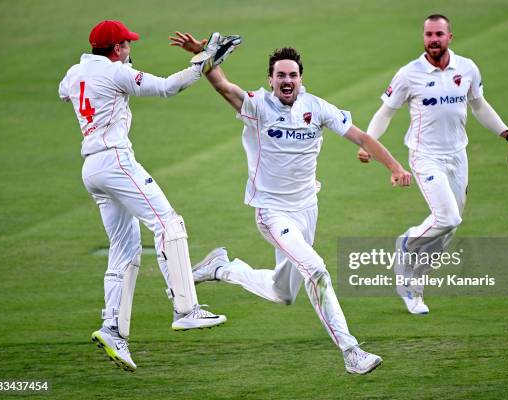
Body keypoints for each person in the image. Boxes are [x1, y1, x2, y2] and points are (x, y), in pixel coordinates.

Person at [171, 33, 412, 374]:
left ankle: (221, 268)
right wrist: (203, 56)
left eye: (293, 75)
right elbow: (224, 87)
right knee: (316, 270)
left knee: (283, 292)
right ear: (270, 80)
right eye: (280, 75)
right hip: (272, 211)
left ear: (301, 79)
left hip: (306, 210)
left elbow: (361, 137)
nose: (287, 81)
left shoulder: (316, 108)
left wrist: (395, 167)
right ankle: (351, 351)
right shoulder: (257, 106)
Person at [58, 20, 238, 372]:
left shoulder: (75, 72)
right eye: (127, 44)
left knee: (124, 249)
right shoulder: (115, 73)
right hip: (115, 160)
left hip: (91, 170)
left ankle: (113, 329)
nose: (130, 48)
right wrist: (204, 60)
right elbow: (168, 87)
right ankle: (186, 308)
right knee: (169, 223)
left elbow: (65, 92)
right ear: (117, 48)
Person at [356, 14, 508, 315]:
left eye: (439, 34)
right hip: (425, 156)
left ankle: (414, 288)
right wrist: (368, 143)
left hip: (458, 156)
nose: (433, 39)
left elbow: (479, 105)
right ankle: (406, 243)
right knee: (448, 218)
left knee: (447, 232)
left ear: (450, 37)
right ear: (424, 38)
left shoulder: (466, 68)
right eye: (428, 34)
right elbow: (385, 112)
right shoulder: (409, 74)